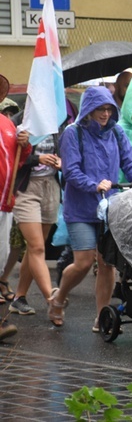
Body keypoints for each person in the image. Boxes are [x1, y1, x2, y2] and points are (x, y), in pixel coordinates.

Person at [50, 86, 132, 329]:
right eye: (99, 109)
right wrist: (94, 185)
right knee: (83, 262)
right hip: (81, 208)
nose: (104, 114)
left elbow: (129, 162)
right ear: (88, 110)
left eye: (108, 109)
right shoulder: (73, 134)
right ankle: (59, 297)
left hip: (108, 207)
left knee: (107, 263)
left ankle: (102, 316)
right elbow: (70, 171)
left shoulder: (116, 132)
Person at [8, 123, 63, 316]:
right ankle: (52, 298)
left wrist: (60, 161)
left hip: (50, 186)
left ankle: (19, 297)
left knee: (35, 249)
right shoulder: (19, 123)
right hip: (26, 189)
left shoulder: (57, 122)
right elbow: (12, 157)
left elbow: (65, 151)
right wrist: (37, 158)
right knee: (37, 247)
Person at [0, 73, 31, 340]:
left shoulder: (7, 125)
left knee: (1, 259)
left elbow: (18, 160)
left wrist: (25, 145)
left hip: (5, 203)